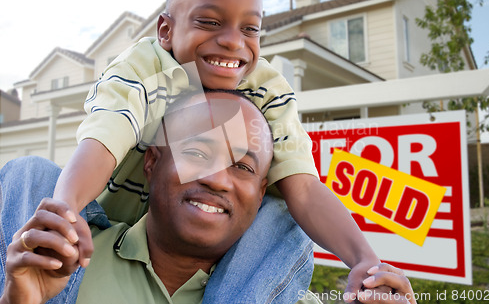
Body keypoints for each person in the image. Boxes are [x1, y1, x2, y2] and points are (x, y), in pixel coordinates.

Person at [44, 0, 378, 301]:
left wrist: (365, 262)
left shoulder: (266, 90)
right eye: (209, 22)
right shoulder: (143, 68)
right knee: (33, 176)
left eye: (250, 29)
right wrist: (65, 211)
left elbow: (305, 189)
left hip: (215, 244)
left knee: (282, 210)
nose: (233, 41)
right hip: (109, 225)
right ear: (166, 31)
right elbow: (103, 140)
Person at [0, 91, 416, 304]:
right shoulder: (48, 265)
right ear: (152, 164)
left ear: (261, 196)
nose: (219, 179)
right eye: (197, 152)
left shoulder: (282, 295)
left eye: (244, 167)